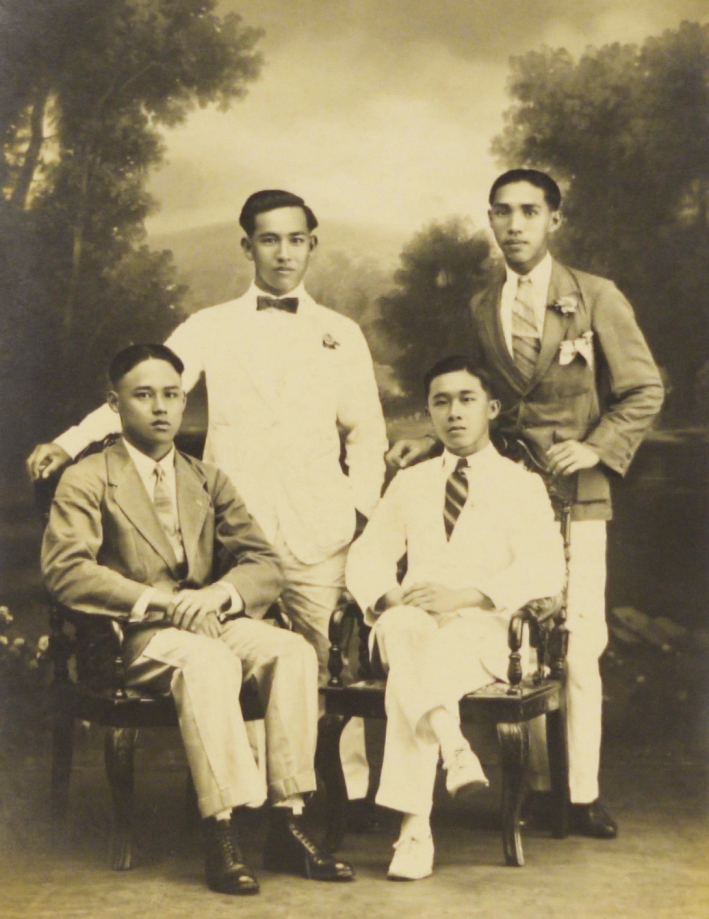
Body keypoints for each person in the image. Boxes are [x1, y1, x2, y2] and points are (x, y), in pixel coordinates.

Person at [28, 190, 388, 806]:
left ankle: (340, 795)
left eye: (295, 239)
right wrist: (70, 442)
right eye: (268, 240)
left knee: (328, 660)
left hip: (320, 529)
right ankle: (257, 797)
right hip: (232, 532)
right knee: (243, 655)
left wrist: (358, 510)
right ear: (247, 246)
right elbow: (146, 387)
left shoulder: (340, 333)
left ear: (311, 245)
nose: (283, 253)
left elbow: (368, 431)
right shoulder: (209, 326)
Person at [387, 170, 665, 838]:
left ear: (553, 220)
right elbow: (483, 398)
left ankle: (580, 791)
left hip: (576, 493)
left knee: (578, 640)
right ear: (489, 220)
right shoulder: (485, 304)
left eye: (529, 212)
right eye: (502, 213)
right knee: (515, 628)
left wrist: (596, 448)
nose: (515, 225)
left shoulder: (594, 297)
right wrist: (426, 439)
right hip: (509, 490)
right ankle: (535, 786)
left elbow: (643, 390)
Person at [41, 344, 355, 894]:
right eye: (143, 396)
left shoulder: (206, 479)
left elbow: (263, 561)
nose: (161, 408)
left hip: (207, 618)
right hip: (131, 637)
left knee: (292, 651)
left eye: (172, 395)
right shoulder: (87, 478)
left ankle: (288, 819)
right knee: (210, 662)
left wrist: (218, 597)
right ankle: (223, 830)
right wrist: (164, 603)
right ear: (114, 404)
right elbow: (68, 572)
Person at [346, 356, 565, 880]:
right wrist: (388, 598)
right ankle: (454, 745)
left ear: (490, 408)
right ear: (429, 412)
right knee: (403, 631)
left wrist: (464, 596)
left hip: (487, 631)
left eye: (467, 399)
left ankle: (414, 828)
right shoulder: (412, 481)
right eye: (441, 402)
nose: (454, 413)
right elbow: (368, 554)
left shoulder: (521, 484)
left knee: (425, 661)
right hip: (413, 622)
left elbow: (545, 568)